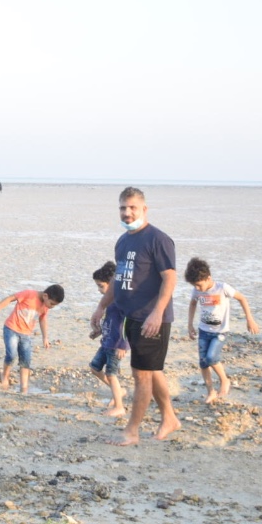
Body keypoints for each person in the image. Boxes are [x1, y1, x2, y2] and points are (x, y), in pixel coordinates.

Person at [90, 187, 180, 445]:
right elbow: (118, 281)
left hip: (151, 319)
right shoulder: (122, 241)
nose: (127, 212)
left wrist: (157, 313)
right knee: (152, 370)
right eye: (123, 207)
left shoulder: (158, 239)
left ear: (144, 209)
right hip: (130, 317)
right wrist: (101, 307)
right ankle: (170, 419)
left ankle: (132, 431)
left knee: (141, 375)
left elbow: (170, 278)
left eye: (132, 207)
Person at [184, 257, 260, 404]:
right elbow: (192, 304)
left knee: (211, 358)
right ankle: (211, 392)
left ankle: (224, 380)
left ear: (208, 278)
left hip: (220, 332)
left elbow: (242, 298)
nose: (197, 288)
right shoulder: (196, 291)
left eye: (199, 285)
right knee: (203, 363)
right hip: (203, 331)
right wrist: (190, 325)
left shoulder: (222, 288)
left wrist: (249, 319)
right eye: (194, 285)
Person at [0, 284, 64, 394]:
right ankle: (5, 376)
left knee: (26, 360)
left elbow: (42, 320)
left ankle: (24, 386)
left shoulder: (45, 306)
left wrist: (45, 337)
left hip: (26, 334)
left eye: (54, 305)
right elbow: (10, 298)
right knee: (11, 355)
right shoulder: (29, 294)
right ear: (45, 296)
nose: (51, 307)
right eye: (52, 304)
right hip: (11, 329)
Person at [88, 261, 130, 417]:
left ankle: (119, 406)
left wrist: (123, 345)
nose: (99, 290)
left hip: (116, 345)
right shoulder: (108, 302)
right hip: (106, 342)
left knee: (111, 374)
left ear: (112, 283)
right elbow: (110, 322)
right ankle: (119, 391)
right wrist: (98, 332)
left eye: (101, 286)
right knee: (94, 368)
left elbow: (128, 322)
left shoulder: (121, 301)